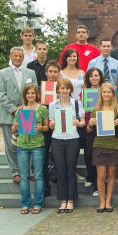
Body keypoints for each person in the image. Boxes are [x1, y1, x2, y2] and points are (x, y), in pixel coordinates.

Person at [0, 47, 38, 184]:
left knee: (28, 142)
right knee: (11, 145)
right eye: (16, 56)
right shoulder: (2, 73)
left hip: (27, 113)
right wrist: (14, 109)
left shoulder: (30, 72)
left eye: (20, 56)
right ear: (10, 56)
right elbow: (0, 94)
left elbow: (35, 91)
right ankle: (15, 172)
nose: (18, 58)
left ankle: (29, 172)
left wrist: (26, 108)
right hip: (9, 114)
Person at [48, 78, 86, 213]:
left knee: (71, 170)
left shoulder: (76, 103)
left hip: (72, 139)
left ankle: (71, 200)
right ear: (58, 89)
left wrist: (78, 123)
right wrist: (51, 124)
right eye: (62, 88)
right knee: (60, 170)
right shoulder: (53, 104)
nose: (64, 91)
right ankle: (62, 200)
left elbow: (83, 122)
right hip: (57, 139)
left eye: (67, 88)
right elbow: (50, 124)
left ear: (70, 90)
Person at [11, 84, 48, 214]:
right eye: (28, 93)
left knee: (38, 175)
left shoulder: (42, 109)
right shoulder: (20, 110)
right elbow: (13, 129)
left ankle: (38, 203)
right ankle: (25, 203)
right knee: (24, 176)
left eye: (33, 93)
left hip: (38, 144)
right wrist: (15, 126)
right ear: (25, 95)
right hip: (22, 145)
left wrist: (40, 128)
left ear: (36, 94)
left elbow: (47, 127)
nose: (30, 95)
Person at [87, 83, 118, 213]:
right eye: (104, 92)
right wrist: (90, 124)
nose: (106, 94)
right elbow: (88, 129)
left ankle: (108, 201)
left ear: (113, 94)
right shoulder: (95, 109)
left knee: (111, 173)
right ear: (101, 94)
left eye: (109, 92)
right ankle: (101, 202)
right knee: (101, 175)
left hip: (113, 144)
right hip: (99, 144)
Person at [82, 68, 105, 194]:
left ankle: (98, 184)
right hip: (88, 126)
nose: (94, 78)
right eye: (91, 76)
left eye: (96, 76)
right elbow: (82, 110)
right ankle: (90, 176)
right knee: (88, 155)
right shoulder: (85, 92)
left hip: (102, 126)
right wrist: (87, 124)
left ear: (100, 77)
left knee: (99, 156)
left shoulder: (104, 91)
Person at [42, 60, 61, 196]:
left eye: (55, 72)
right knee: (43, 157)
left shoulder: (62, 88)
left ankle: (58, 182)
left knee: (58, 157)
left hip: (58, 126)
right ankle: (45, 186)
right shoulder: (39, 88)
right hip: (44, 127)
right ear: (46, 73)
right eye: (50, 71)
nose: (53, 74)